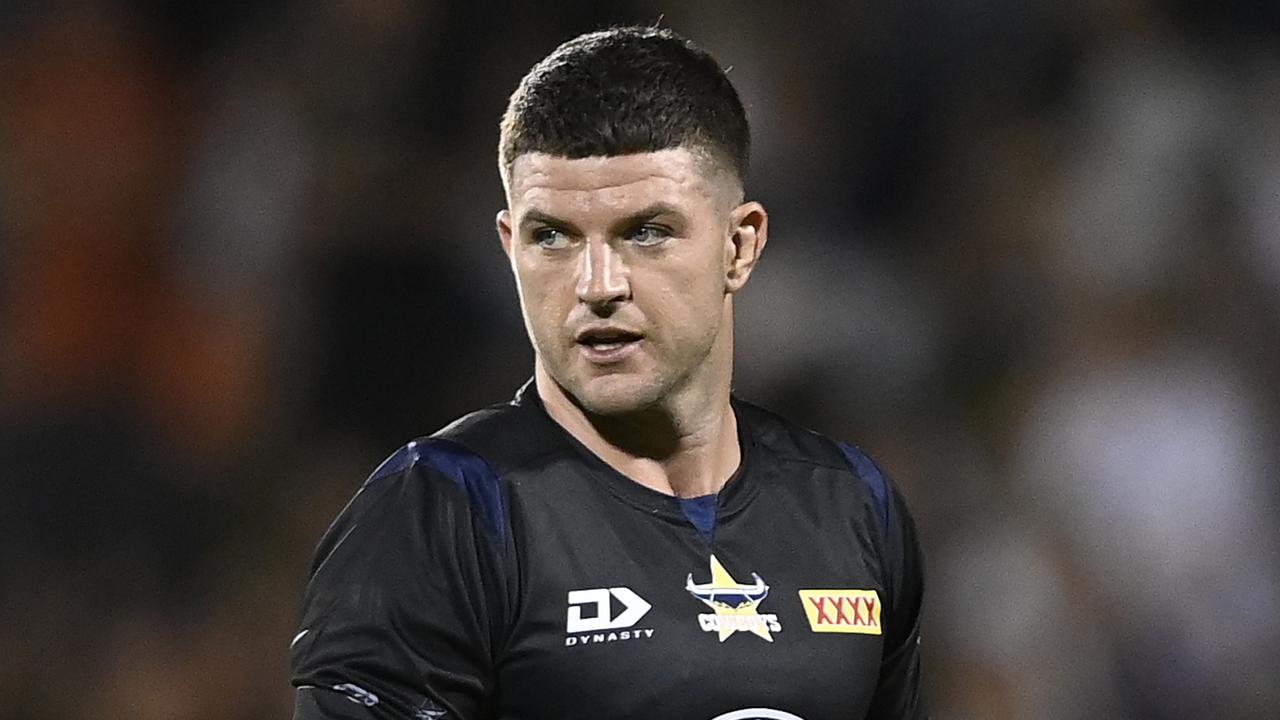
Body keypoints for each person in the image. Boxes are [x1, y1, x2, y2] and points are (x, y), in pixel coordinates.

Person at [290, 26, 926, 720]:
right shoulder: (448, 511)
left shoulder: (853, 507)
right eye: (551, 236)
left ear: (739, 246)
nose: (596, 285)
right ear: (509, 247)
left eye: (646, 232)